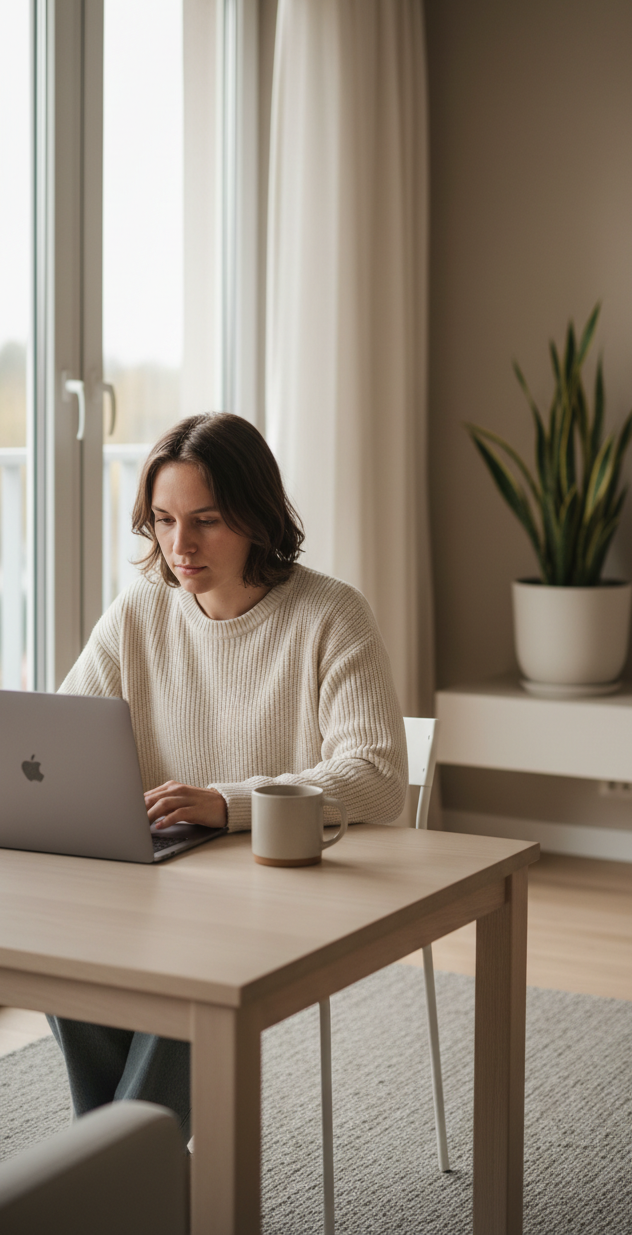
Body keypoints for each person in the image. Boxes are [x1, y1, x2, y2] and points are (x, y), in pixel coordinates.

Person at [48, 412, 408, 1140]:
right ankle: (135, 1172)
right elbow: (58, 742)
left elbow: (376, 776)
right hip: (161, 880)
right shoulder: (138, 613)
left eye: (205, 521)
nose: (179, 546)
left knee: (192, 967)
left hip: (273, 883)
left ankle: (120, 1173)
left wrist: (225, 803)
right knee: (62, 941)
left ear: (255, 516)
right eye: (162, 520)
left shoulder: (331, 615)